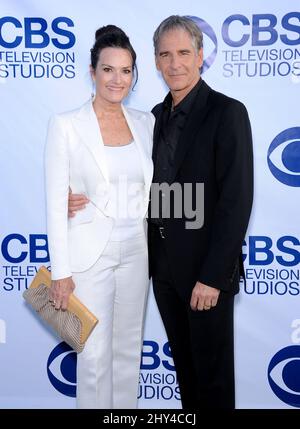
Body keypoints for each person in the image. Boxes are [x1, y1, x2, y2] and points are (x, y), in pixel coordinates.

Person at [68, 15, 253, 409]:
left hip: (207, 276)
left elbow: (236, 202)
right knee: (187, 375)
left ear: (201, 56)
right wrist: (76, 195)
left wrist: (212, 277)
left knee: (213, 382)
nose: (175, 63)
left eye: (184, 53)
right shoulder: (151, 118)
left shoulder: (227, 112)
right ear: (154, 62)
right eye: (165, 55)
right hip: (162, 271)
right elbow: (131, 183)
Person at [45, 25, 154, 409]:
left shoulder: (146, 123)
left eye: (126, 71)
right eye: (108, 69)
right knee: (91, 356)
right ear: (93, 72)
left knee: (128, 352)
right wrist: (60, 271)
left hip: (137, 253)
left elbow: (148, 188)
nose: (117, 79)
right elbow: (53, 202)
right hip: (88, 255)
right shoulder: (66, 125)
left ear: (133, 75)